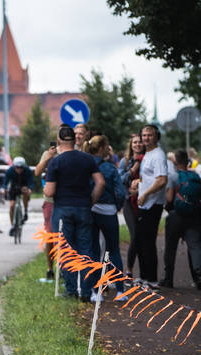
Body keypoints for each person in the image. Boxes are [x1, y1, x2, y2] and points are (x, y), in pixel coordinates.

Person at [44, 124, 105, 301]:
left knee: (66, 250)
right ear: (74, 139)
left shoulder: (55, 162)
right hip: (84, 208)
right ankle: (86, 291)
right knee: (86, 249)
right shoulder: (87, 159)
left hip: (63, 209)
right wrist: (91, 200)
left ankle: (71, 290)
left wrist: (46, 188)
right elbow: (100, 182)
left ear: (59, 140)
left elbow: (49, 191)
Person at [87, 134, 126, 299]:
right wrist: (117, 206)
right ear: (103, 148)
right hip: (109, 211)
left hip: (91, 210)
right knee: (114, 250)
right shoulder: (110, 168)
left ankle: (96, 292)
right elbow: (121, 192)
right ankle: (120, 291)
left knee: (94, 250)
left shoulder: (86, 165)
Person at [130, 124, 167, 289]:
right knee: (140, 241)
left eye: (149, 135)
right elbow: (151, 177)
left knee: (148, 243)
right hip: (144, 204)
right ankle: (144, 276)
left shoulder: (158, 155)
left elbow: (162, 180)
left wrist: (145, 194)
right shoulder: (148, 154)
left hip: (153, 204)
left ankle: (152, 280)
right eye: (144, 135)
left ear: (156, 136)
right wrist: (139, 184)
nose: (146, 138)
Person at [160, 149, 201, 289]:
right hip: (194, 216)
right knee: (195, 246)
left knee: (170, 248)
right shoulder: (196, 176)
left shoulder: (172, 176)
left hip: (176, 216)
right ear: (188, 161)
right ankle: (198, 277)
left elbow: (169, 199)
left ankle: (168, 279)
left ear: (175, 162)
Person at [118, 133, 145, 286]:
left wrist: (140, 185)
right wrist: (132, 170)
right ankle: (129, 271)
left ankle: (143, 274)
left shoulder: (147, 160)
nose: (137, 145)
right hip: (129, 202)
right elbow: (120, 180)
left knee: (142, 237)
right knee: (134, 235)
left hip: (144, 201)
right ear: (131, 144)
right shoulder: (125, 161)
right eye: (135, 142)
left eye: (140, 142)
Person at [35, 141, 58, 281]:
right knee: (49, 236)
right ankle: (50, 269)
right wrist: (48, 157)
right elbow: (37, 171)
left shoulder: (73, 152)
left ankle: (66, 271)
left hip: (67, 200)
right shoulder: (47, 154)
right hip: (50, 201)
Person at [3, 155, 34, 233]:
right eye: (17, 167)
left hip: (24, 187)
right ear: (14, 166)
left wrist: (30, 189)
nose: (19, 169)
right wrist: (4, 189)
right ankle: (12, 225)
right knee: (12, 206)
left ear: (24, 166)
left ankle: (25, 211)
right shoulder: (10, 171)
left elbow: (31, 182)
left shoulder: (27, 170)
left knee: (26, 192)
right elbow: (5, 183)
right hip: (14, 188)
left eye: (21, 167)